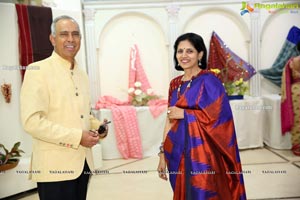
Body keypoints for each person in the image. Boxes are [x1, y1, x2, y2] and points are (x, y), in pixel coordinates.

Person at [20, 15, 108, 200]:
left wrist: (98, 126)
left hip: (82, 164)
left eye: (75, 34)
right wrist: (78, 137)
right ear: (52, 39)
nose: (71, 39)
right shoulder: (37, 71)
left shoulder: (81, 74)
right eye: (64, 34)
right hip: (53, 168)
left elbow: (83, 114)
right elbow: (32, 122)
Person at [157, 33, 246, 199]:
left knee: (203, 193)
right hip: (177, 151)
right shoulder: (175, 84)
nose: (183, 55)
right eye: (180, 51)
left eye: (189, 51)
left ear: (200, 54)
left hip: (204, 154)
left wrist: (186, 113)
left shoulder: (209, 80)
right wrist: (162, 154)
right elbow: (169, 120)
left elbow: (221, 119)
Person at [281, 42, 300, 156]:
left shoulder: (292, 62)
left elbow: (285, 79)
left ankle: (298, 147)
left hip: (295, 92)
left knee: (297, 120)